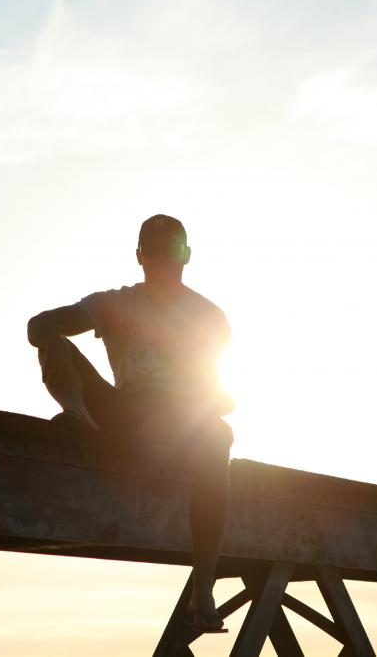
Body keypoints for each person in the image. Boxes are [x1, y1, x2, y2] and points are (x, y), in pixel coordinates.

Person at [26, 214, 233, 633]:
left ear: (186, 256)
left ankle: (203, 587)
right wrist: (51, 323)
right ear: (139, 256)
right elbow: (39, 330)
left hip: (177, 418)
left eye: (170, 251)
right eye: (153, 251)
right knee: (54, 344)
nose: (161, 259)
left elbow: (215, 395)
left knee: (218, 436)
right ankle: (77, 416)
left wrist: (185, 418)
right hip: (121, 410)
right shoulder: (113, 303)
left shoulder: (208, 316)